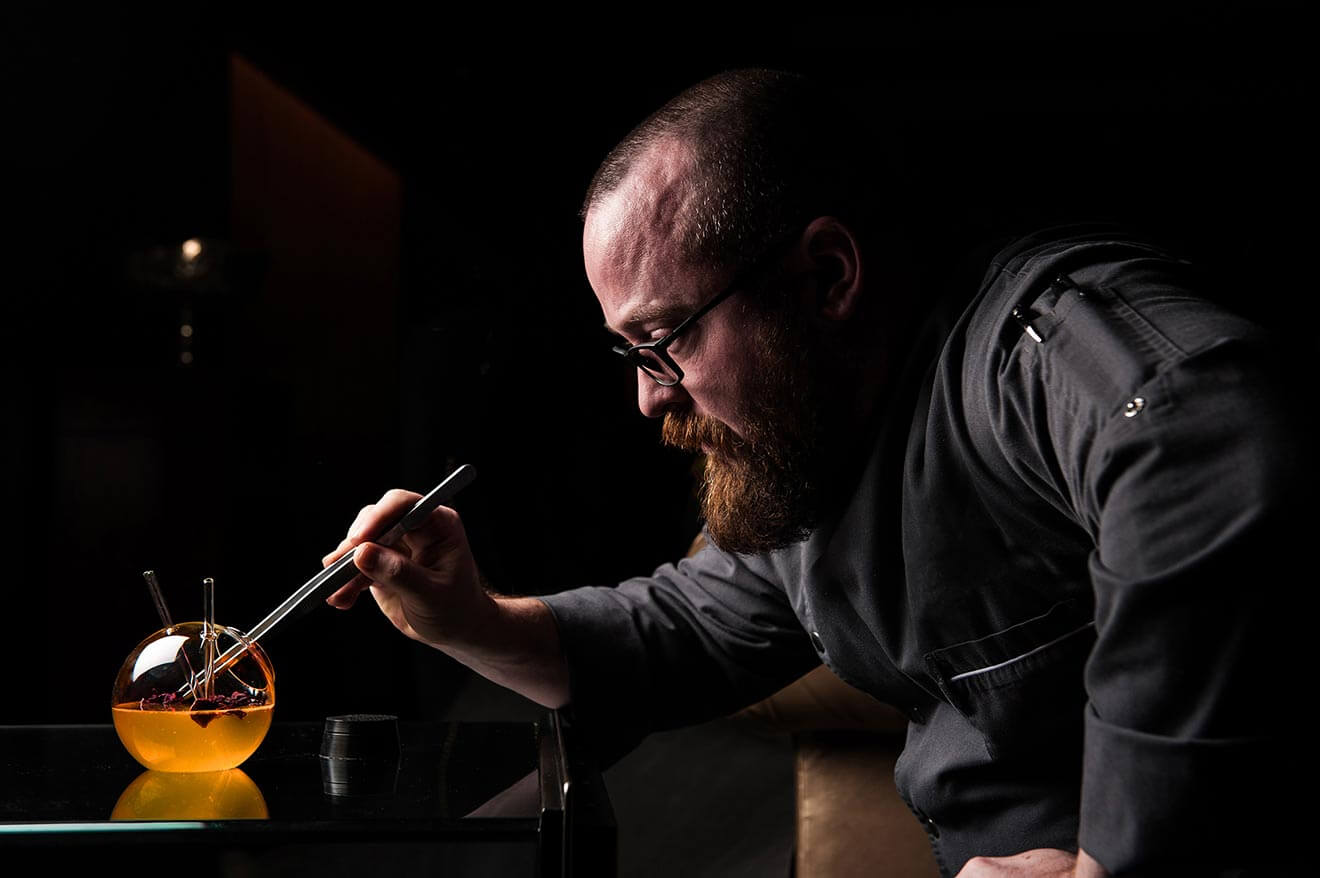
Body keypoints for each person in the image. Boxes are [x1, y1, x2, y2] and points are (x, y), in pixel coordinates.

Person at [320, 69, 1309, 876]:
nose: (650, 398)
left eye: (664, 340)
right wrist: (470, 618)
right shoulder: (815, 456)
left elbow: (1204, 430)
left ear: (827, 275)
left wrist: (1115, 863)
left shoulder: (1026, 355)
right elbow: (675, 634)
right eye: (632, 356)